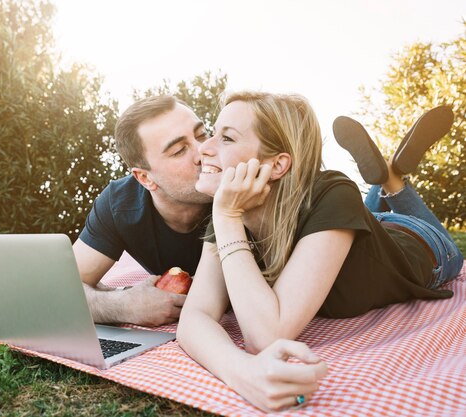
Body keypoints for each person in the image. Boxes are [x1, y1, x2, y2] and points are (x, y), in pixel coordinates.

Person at [177, 91, 463, 411]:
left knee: (449, 246)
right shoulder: (231, 209)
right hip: (350, 225)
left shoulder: (330, 192)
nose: (204, 147)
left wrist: (227, 217)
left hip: (417, 240)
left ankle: (393, 183)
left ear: (277, 164)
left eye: (226, 138)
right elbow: (194, 318)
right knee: (364, 215)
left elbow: (267, 336)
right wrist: (240, 370)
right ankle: (384, 180)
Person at [73, 96, 212, 327]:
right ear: (145, 178)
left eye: (201, 134)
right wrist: (124, 305)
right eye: (179, 150)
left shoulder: (242, 186)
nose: (202, 153)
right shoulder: (120, 204)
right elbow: (63, 289)